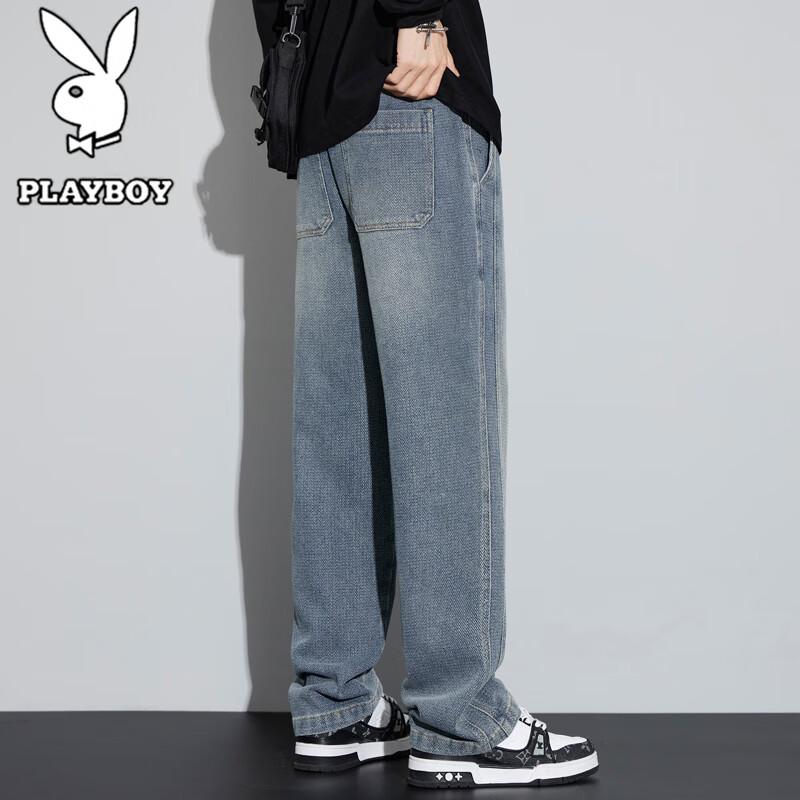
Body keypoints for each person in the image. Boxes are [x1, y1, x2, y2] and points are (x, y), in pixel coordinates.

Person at [252, 0, 599, 789]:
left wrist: (289, 65)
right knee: (441, 418)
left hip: (321, 114)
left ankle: (335, 703)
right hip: (405, 91)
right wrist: (421, 15)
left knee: (339, 430)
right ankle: (461, 719)